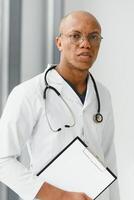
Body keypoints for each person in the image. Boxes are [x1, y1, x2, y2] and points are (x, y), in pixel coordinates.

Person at [0, 10, 120, 200]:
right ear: (59, 42)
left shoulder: (102, 94)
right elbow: (2, 160)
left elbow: (108, 160)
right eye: (75, 36)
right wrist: (62, 196)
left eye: (94, 37)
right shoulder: (29, 93)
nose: (86, 44)